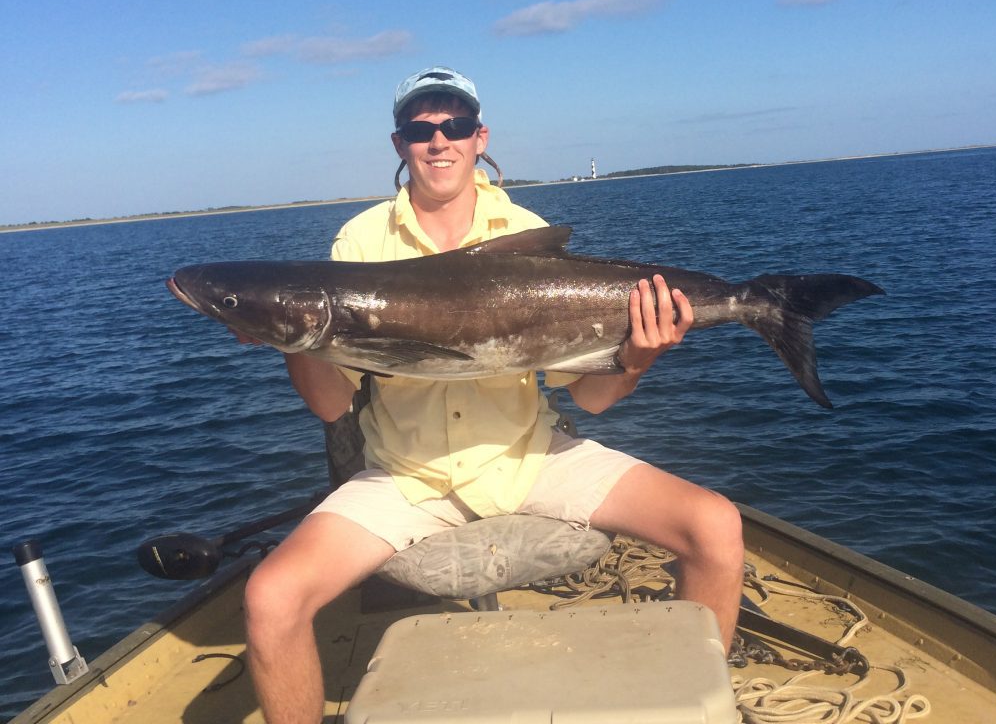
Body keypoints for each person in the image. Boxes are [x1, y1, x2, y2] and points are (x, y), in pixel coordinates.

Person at [241, 66, 744, 724]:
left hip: (529, 457)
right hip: (405, 475)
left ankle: (691, 704)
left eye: (453, 126)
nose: (438, 141)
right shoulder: (360, 242)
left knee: (715, 527)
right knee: (270, 599)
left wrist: (636, 357)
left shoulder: (527, 234)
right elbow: (332, 406)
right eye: (420, 129)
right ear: (400, 145)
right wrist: (294, 338)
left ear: (480, 138)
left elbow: (590, 401)